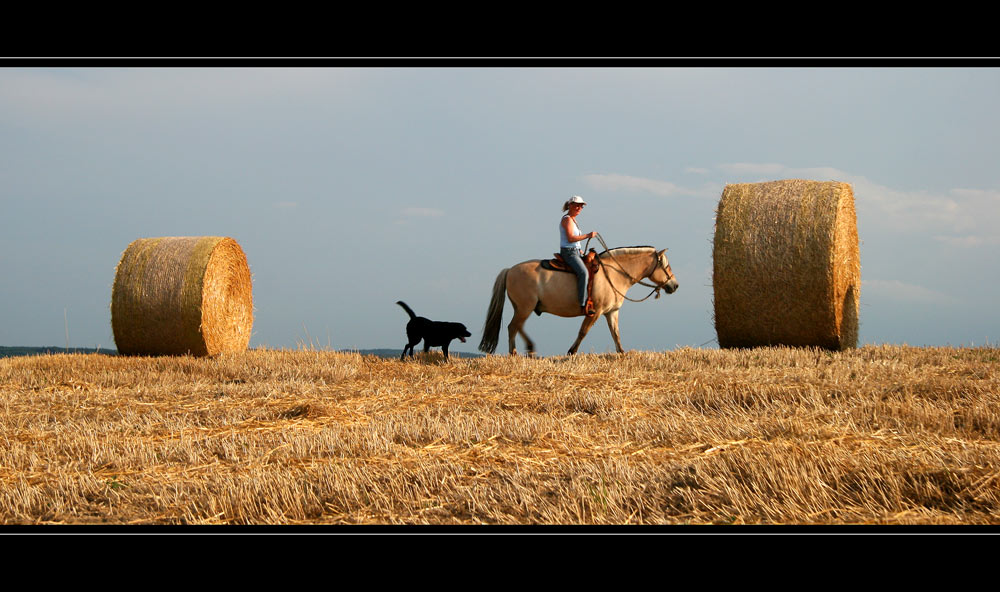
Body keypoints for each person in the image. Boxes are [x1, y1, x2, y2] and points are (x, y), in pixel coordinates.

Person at [559, 195, 598, 316]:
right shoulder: (567, 219)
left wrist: (580, 250)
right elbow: (570, 238)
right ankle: (582, 304)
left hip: (575, 251)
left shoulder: (573, 220)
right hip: (569, 252)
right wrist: (587, 235)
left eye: (581, 206)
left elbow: (575, 241)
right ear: (570, 205)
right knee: (583, 272)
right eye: (577, 205)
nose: (579, 208)